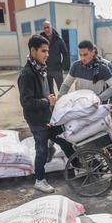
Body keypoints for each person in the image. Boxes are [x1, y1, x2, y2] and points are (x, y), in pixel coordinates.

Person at [18, 34, 75, 194]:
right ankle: (39, 180)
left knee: (65, 139)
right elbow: (26, 102)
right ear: (33, 50)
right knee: (41, 149)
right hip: (36, 120)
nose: (47, 54)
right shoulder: (27, 74)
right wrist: (47, 102)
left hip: (47, 116)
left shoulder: (41, 68)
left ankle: (78, 167)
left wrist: (51, 100)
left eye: (48, 51)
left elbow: (46, 91)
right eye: (44, 51)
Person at [40, 21, 70, 94]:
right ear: (43, 29)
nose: (46, 29)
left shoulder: (58, 39)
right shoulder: (40, 39)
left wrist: (62, 67)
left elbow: (65, 53)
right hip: (46, 69)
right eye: (45, 28)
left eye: (48, 27)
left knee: (61, 89)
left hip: (57, 69)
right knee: (49, 90)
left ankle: (63, 103)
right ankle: (52, 105)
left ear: (51, 27)